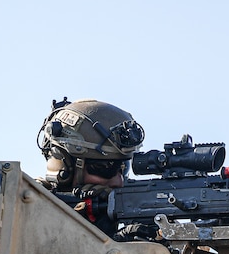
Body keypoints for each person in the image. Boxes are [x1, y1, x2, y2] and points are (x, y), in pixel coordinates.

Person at [35, 98, 151, 239]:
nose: (118, 181)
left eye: (123, 167)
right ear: (65, 167)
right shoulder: (23, 207)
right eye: (105, 168)